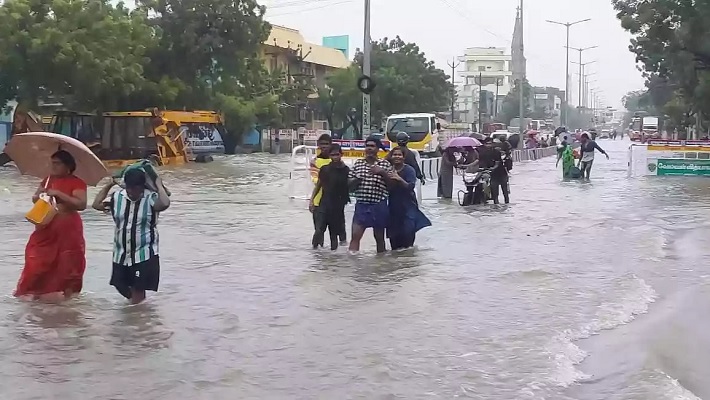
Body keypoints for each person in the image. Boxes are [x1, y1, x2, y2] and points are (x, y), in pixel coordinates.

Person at [15, 150, 88, 301]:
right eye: (52, 163)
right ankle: (33, 296)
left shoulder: (77, 182)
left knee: (67, 265)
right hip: (45, 227)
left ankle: (66, 299)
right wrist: (38, 195)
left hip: (67, 229)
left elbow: (81, 204)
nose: (53, 166)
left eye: (57, 163)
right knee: (35, 262)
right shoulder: (47, 180)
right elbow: (37, 200)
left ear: (68, 166)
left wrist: (59, 194)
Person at [92, 169, 170, 304]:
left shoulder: (150, 198)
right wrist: (109, 184)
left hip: (144, 252)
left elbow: (164, 203)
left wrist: (158, 185)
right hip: (121, 252)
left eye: (135, 188)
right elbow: (96, 204)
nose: (131, 191)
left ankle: (139, 316)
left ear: (142, 186)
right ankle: (138, 309)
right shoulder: (117, 197)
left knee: (139, 289)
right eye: (128, 187)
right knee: (119, 284)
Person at [348, 136, 393, 253]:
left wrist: (382, 173)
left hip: (378, 205)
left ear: (377, 149)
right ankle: (352, 264)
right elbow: (348, 186)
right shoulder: (358, 164)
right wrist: (355, 180)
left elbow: (392, 186)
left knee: (379, 238)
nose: (369, 149)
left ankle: (381, 265)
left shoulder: (385, 165)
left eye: (372, 146)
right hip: (362, 205)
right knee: (355, 236)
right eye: (367, 146)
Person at [386, 147, 431, 250]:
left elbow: (410, 187)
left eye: (399, 155)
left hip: (408, 206)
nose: (397, 157)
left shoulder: (409, 170)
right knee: (394, 239)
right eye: (395, 155)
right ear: (391, 157)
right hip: (393, 207)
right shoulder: (388, 170)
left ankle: (409, 262)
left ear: (403, 157)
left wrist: (399, 179)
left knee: (408, 236)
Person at [309, 144, 350, 250]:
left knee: (334, 234)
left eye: (337, 154)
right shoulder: (325, 169)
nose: (335, 157)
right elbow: (319, 185)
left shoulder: (346, 170)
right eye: (332, 155)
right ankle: (314, 252)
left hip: (338, 206)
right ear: (329, 156)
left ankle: (333, 258)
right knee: (319, 230)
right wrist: (312, 201)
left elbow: (349, 187)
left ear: (341, 154)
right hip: (324, 204)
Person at [478, 138, 508, 204]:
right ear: (484, 144)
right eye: (487, 144)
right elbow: (481, 162)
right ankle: (496, 205)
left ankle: (507, 204)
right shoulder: (482, 152)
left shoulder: (496, 152)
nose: (488, 145)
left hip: (501, 173)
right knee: (494, 190)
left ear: (493, 144)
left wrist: (492, 168)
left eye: (490, 144)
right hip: (492, 174)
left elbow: (497, 163)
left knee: (505, 191)